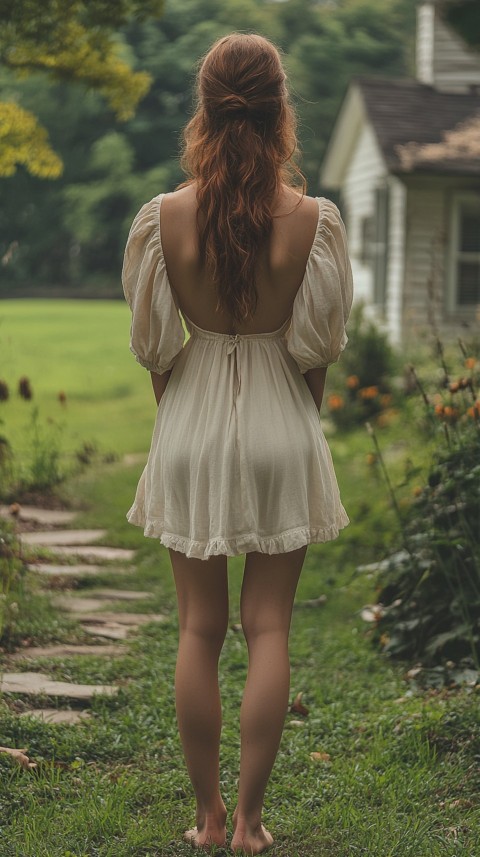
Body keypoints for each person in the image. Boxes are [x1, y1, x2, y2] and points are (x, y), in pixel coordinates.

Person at [122, 32, 353, 855]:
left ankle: (210, 816)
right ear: (282, 108)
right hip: (280, 421)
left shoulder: (164, 218)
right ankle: (253, 824)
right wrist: (292, 420)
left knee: (198, 628)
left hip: (187, 418)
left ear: (205, 108)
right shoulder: (313, 222)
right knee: (269, 628)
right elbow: (315, 352)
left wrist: (183, 417)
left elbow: (157, 350)